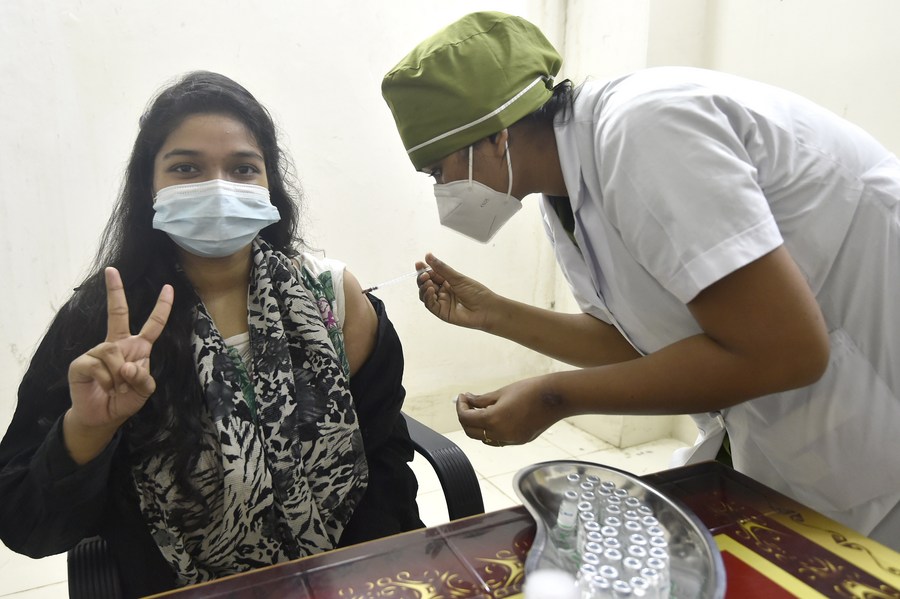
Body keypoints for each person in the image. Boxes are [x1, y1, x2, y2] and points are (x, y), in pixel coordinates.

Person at [381, 11, 900, 549]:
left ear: (495, 136)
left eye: (438, 171)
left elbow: (786, 351)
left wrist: (555, 397)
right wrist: (496, 313)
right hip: (804, 428)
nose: (442, 193)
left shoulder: (644, 132)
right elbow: (637, 343)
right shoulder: (564, 194)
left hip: (874, 390)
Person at [0, 71, 423, 597]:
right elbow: (27, 527)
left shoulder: (331, 300)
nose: (219, 188)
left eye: (243, 168)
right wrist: (88, 431)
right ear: (149, 186)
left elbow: (382, 460)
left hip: (341, 576)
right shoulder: (101, 325)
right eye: (186, 168)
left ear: (269, 184)